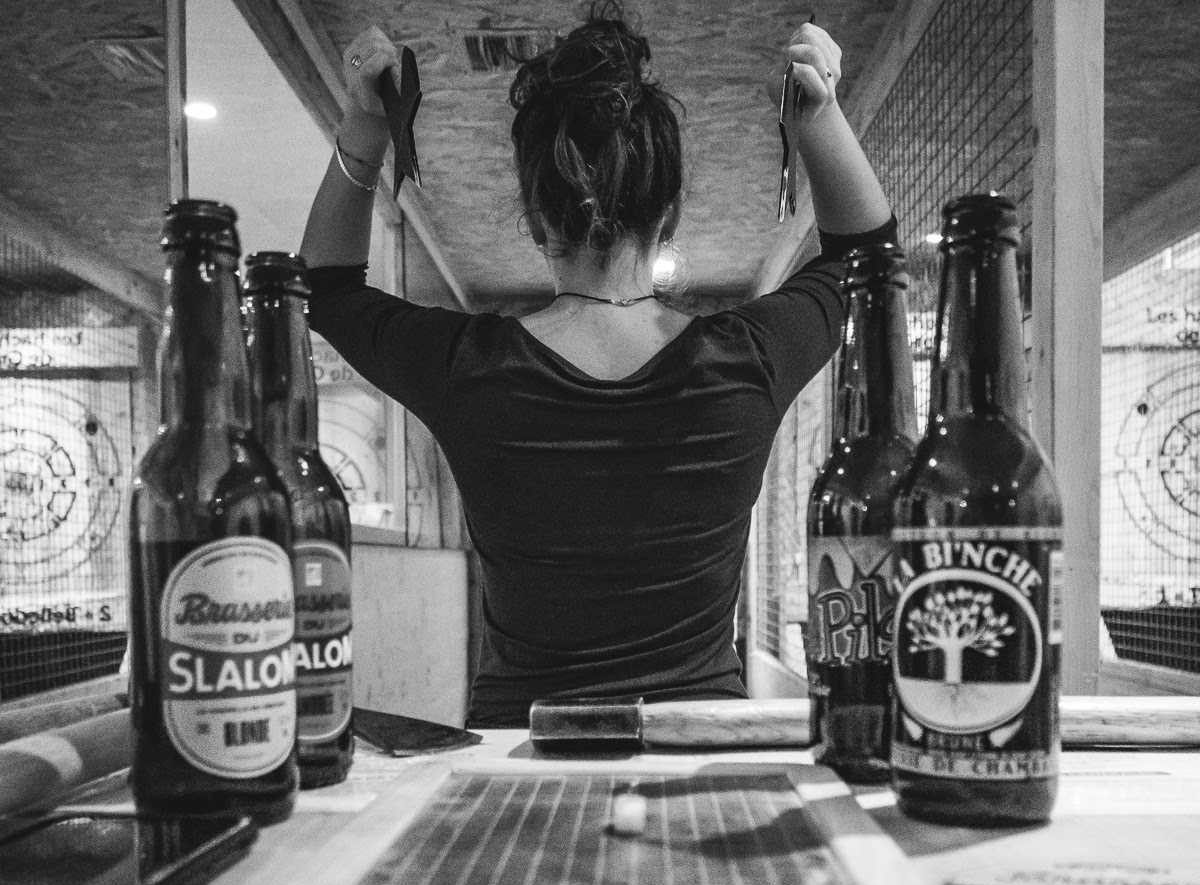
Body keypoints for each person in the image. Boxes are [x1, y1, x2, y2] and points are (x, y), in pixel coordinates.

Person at [300, 1, 895, 727]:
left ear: (535, 220)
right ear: (670, 215)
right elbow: (868, 258)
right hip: (697, 743)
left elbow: (323, 290)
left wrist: (365, 128)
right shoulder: (749, 359)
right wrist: (819, 118)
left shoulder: (466, 366)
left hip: (521, 747)